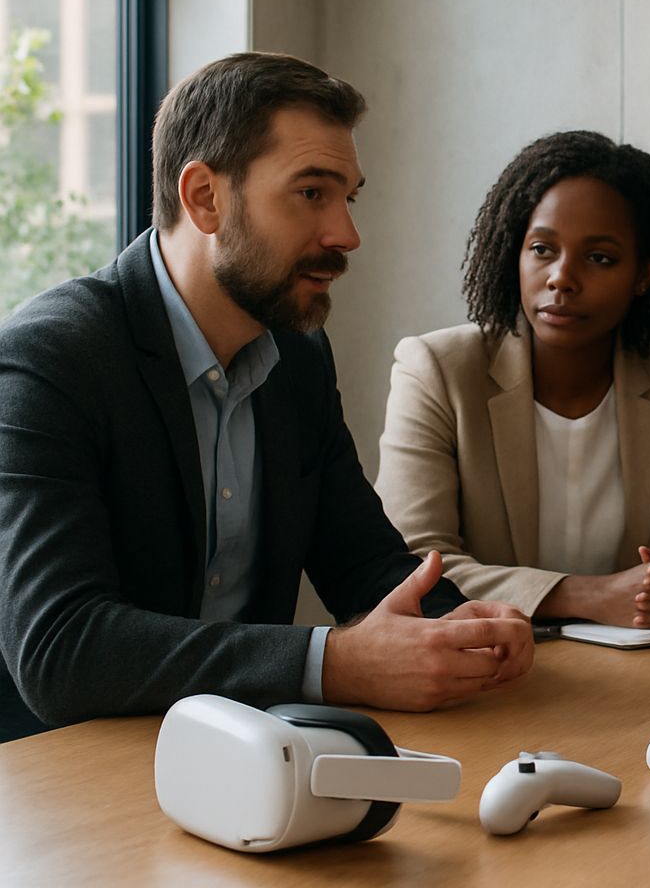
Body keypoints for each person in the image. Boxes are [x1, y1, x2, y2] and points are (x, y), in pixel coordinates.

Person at [0, 52, 534, 743]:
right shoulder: (50, 359)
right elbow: (61, 650)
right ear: (204, 198)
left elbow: (361, 562)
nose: (346, 235)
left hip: (245, 761)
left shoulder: (297, 357)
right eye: (312, 193)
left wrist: (467, 628)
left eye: (349, 197)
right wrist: (330, 664)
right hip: (61, 785)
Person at [374, 131, 650, 626]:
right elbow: (412, 562)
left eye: (600, 258)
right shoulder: (437, 369)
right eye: (542, 249)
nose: (561, 278)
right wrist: (584, 597)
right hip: (484, 665)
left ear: (645, 274)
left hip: (640, 671)